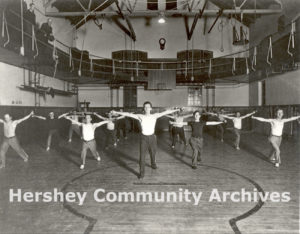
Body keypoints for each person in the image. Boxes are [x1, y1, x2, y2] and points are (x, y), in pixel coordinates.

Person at [112, 102, 181, 179]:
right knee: (142, 156)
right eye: (145, 107)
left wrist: (177, 109)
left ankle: (153, 164)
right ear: (144, 109)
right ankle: (142, 173)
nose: (146, 108)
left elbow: (166, 112)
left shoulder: (155, 116)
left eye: (148, 107)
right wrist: (116, 112)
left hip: (152, 137)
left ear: (151, 108)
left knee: (153, 153)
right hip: (143, 138)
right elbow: (128, 114)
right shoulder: (140, 116)